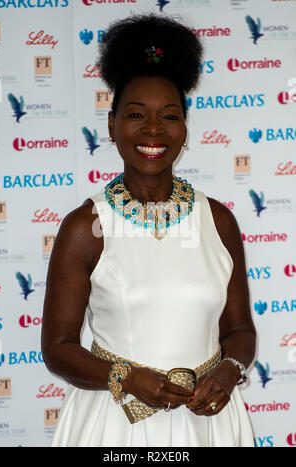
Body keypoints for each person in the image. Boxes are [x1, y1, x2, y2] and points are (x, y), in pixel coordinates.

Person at [42, 14, 256, 447]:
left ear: (184, 129)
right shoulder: (85, 228)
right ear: (112, 125)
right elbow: (59, 347)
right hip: (117, 424)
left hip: (209, 423)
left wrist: (229, 371)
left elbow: (240, 331)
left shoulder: (218, 220)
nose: (153, 130)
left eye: (169, 116)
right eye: (136, 114)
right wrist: (125, 378)